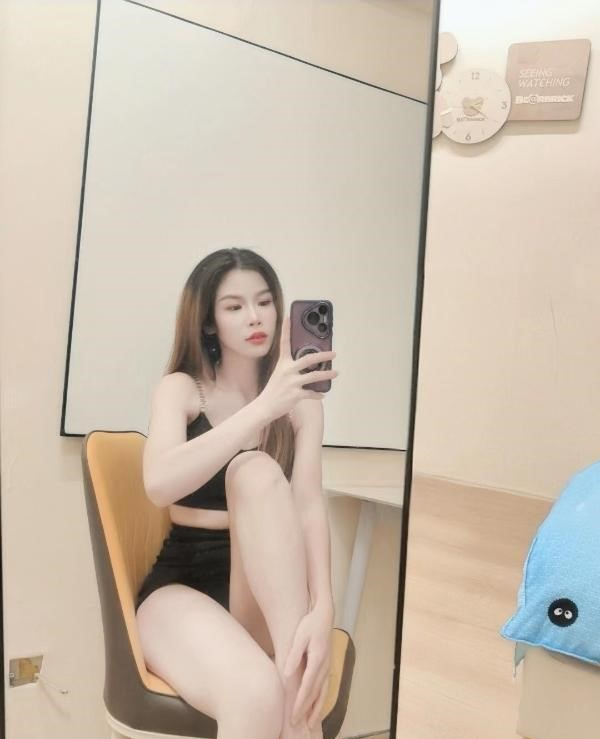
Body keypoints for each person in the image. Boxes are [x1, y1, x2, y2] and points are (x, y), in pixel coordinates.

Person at [135, 247, 339, 739]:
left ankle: (293, 678)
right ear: (209, 322)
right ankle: (296, 707)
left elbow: (309, 507)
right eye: (234, 306)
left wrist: (323, 607)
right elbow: (159, 484)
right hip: (184, 586)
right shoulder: (182, 390)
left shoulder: (303, 405)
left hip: (270, 595)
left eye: (265, 302)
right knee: (255, 694)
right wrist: (264, 407)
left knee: (257, 474)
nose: (254, 317)